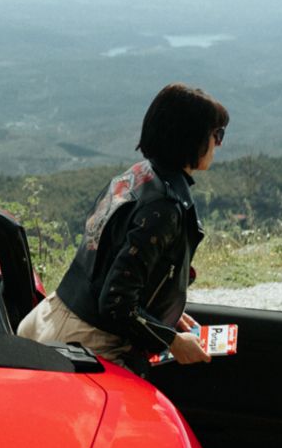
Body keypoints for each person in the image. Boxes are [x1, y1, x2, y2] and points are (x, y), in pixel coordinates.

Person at [19, 83, 228, 375]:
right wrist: (171, 340)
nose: (219, 144)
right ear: (190, 138)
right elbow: (116, 303)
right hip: (86, 342)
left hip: (50, 316)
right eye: (216, 134)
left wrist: (159, 315)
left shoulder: (137, 175)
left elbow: (110, 265)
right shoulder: (165, 207)